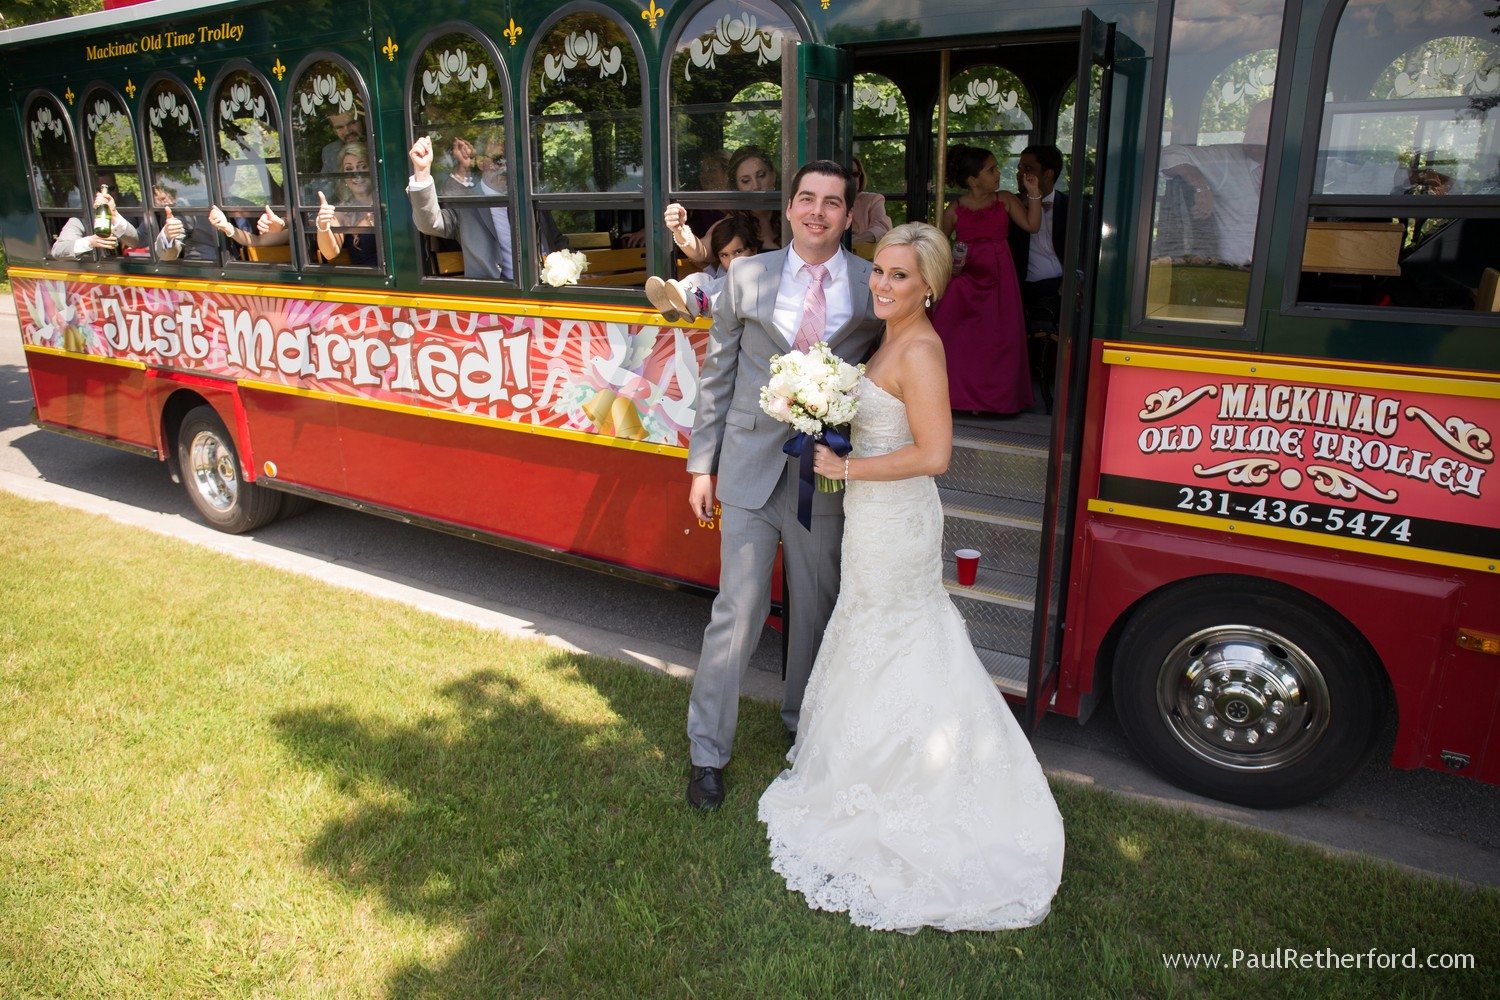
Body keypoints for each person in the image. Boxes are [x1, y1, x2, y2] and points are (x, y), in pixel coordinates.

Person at [761, 222, 1064, 932]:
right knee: (871, 629)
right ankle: (868, 764)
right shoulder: (888, 337)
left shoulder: (921, 349)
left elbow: (936, 454)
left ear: (929, 284)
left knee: (899, 632)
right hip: (871, 516)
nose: (884, 285)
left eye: (900, 276)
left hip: (896, 519)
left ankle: (922, 778)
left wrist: (846, 467)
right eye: (880, 273)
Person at [684, 160, 883, 811]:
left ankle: (804, 733)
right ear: (791, 206)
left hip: (819, 478)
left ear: (849, 215)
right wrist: (700, 465)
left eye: (832, 203)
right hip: (745, 469)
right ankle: (707, 752)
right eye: (807, 199)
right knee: (735, 615)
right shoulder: (745, 275)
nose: (818, 212)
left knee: (814, 613)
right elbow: (715, 379)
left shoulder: (869, 286)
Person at [931, 144, 1040, 415]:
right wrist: (949, 268)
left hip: (999, 280)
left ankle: (996, 400)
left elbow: (1031, 225)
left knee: (999, 338)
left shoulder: (1004, 200)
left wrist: (1034, 194)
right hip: (966, 280)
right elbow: (938, 243)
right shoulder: (954, 208)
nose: (998, 173)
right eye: (991, 170)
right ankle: (957, 398)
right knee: (958, 338)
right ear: (973, 179)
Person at [1157, 99, 1271, 266]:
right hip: (1232, 272)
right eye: (1249, 127)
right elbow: (1168, 155)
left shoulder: (1295, 170)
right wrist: (1200, 185)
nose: (1252, 135)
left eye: (1261, 129)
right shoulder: (1228, 159)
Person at [406, 134, 516, 280]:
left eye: (510, 160)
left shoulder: (528, 198)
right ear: (482, 163)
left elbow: (555, 239)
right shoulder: (466, 202)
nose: (505, 166)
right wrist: (422, 172)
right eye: (498, 160)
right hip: (492, 295)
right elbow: (430, 224)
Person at [1008, 145, 1069, 411]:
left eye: (1028, 168)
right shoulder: (1010, 206)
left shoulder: (1074, 207)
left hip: (1058, 285)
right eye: (1020, 168)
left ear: (1049, 174)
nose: (1020, 174)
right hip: (1019, 285)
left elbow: (1085, 254)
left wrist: (1073, 279)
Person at [666, 146, 782, 265]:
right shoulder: (732, 223)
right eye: (745, 181)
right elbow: (701, 252)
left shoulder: (793, 215)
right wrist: (680, 230)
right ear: (737, 187)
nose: (756, 186)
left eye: (761, 175)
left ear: (773, 175)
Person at [644, 214, 761, 322]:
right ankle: (675, 300)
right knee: (701, 277)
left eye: (738, 252)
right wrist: (707, 268)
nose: (732, 260)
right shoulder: (724, 269)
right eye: (724, 255)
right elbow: (714, 281)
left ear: (754, 250)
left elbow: (720, 287)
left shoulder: (758, 271)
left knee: (732, 280)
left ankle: (695, 301)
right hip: (712, 300)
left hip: (722, 306)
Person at [315, 142, 378, 266]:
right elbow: (329, 253)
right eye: (349, 169)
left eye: (363, 166)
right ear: (343, 176)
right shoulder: (342, 211)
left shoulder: (389, 199)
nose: (356, 174)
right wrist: (323, 225)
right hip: (369, 281)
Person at [49, 185, 139, 259]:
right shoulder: (81, 219)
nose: (107, 194)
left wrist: (114, 214)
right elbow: (57, 250)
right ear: (93, 194)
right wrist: (90, 242)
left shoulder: (128, 213)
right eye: (101, 190)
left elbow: (137, 242)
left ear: (117, 190)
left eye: (111, 188)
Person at [849, 156, 893, 244]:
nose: (852, 179)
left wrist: (855, 240)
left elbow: (881, 228)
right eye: (847, 174)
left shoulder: (873, 200)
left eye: (855, 174)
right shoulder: (826, 201)